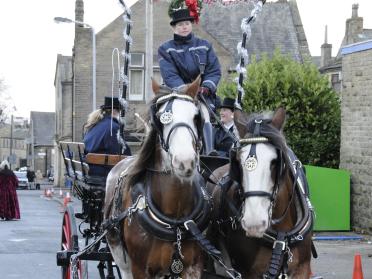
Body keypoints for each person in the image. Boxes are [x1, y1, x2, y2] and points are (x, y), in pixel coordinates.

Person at [158, 7, 221, 155]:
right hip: (177, 94)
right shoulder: (165, 49)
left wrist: (206, 87)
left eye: (186, 23)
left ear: (191, 24)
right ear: (174, 28)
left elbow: (214, 71)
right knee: (160, 115)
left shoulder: (205, 45)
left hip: (202, 95)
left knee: (205, 114)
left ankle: (208, 152)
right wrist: (186, 90)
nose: (184, 27)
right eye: (180, 25)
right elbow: (170, 75)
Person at [83, 97, 132, 178]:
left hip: (90, 168)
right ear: (113, 111)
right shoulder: (113, 127)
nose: (120, 114)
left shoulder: (94, 124)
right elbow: (119, 151)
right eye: (119, 111)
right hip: (102, 172)